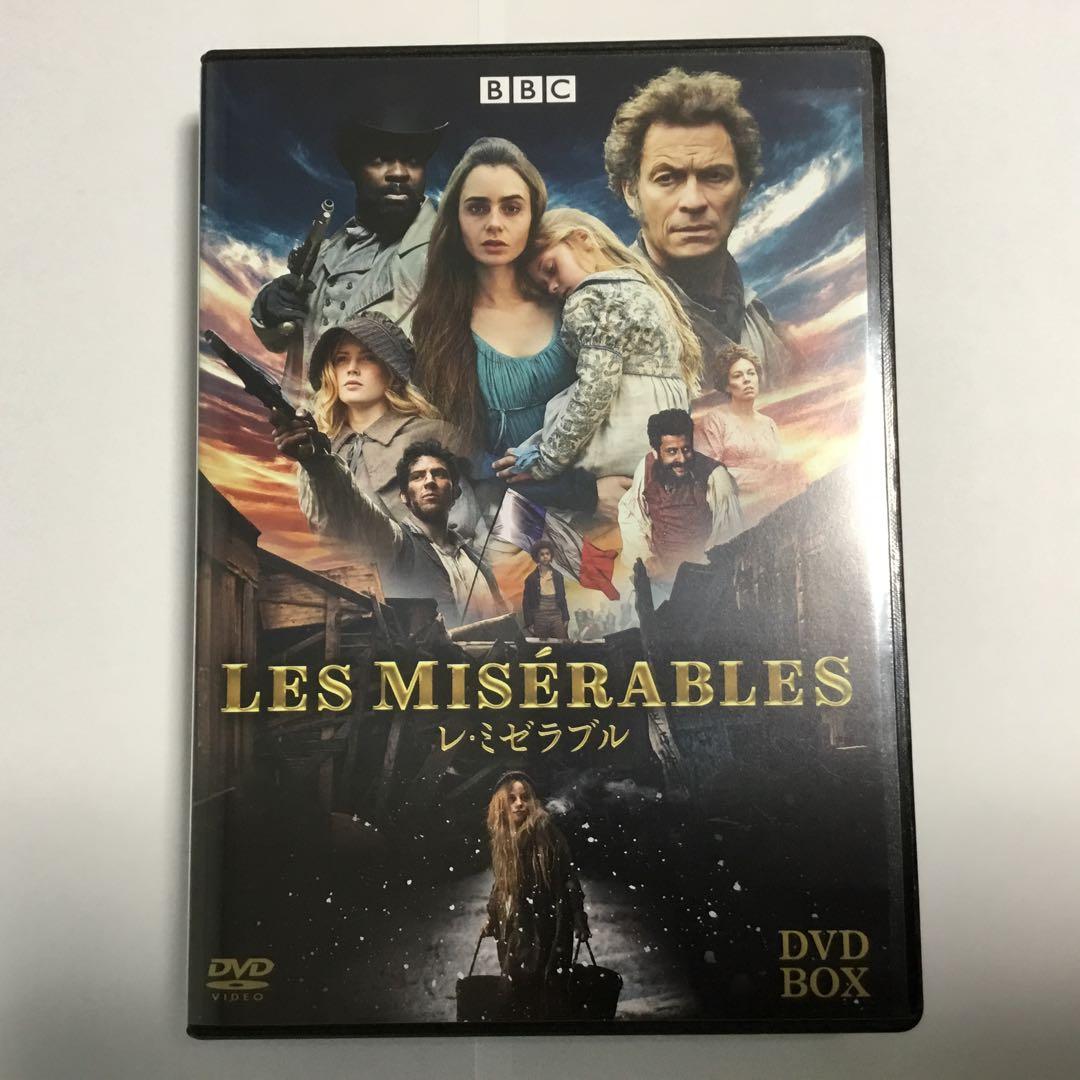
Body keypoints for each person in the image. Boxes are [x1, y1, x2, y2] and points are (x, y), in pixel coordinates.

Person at [410, 139, 625, 518]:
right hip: (514, 521)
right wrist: (580, 495)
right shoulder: (439, 325)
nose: (494, 223)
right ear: (456, 219)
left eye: (511, 208)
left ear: (533, 216)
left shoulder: (572, 299)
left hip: (618, 507)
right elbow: (458, 455)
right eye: (477, 208)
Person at [604, 68, 799, 390]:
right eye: (667, 178)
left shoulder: (762, 323)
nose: (693, 201)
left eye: (715, 176)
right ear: (631, 192)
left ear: (744, 189)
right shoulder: (603, 316)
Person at [496, 207, 701, 483]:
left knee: (522, 485)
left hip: (623, 433)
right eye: (545, 286)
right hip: (664, 433)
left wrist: (547, 460)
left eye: (551, 269)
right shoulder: (646, 288)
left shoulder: (589, 298)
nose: (553, 287)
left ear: (582, 239)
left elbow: (596, 386)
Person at [250, 103, 447, 380]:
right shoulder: (326, 253)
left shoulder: (450, 254)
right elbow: (281, 341)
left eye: (413, 161)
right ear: (355, 169)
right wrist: (269, 307)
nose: (399, 172)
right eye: (380, 159)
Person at [269, 309, 481, 536]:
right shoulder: (320, 446)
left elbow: (462, 532)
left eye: (368, 357)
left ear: (391, 370)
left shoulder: (436, 435)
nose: (352, 368)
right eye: (341, 359)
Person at [270, 435, 503, 626]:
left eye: (439, 474)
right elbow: (354, 508)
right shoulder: (396, 544)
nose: (429, 481)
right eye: (417, 476)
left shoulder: (478, 563)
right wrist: (318, 462)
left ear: (455, 493)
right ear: (404, 497)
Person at [481, 772, 589, 1021]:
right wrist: (492, 918)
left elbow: (568, 876)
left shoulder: (547, 833)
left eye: (524, 797)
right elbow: (502, 885)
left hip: (548, 922)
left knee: (547, 989)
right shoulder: (503, 839)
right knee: (516, 989)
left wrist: (577, 915)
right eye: (512, 798)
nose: (519, 803)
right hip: (517, 925)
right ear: (501, 805)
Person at [619, 408, 743, 581]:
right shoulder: (646, 467)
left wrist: (695, 572)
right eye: (672, 451)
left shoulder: (716, 477)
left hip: (702, 576)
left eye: (686, 449)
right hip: (657, 575)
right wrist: (646, 558)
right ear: (656, 452)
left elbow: (728, 536)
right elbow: (631, 515)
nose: (682, 459)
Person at [696, 343, 783, 501]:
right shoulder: (715, 420)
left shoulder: (769, 424)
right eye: (737, 376)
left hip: (770, 500)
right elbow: (708, 474)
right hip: (732, 504)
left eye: (751, 373)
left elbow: (778, 469)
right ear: (727, 386)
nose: (747, 380)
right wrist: (758, 479)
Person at [521, 540, 570, 640]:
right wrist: (529, 623)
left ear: (551, 555)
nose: (545, 556)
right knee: (542, 647)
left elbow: (562, 598)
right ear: (537, 557)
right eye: (542, 554)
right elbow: (526, 603)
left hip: (556, 616)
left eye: (547, 553)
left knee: (563, 644)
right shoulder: (531, 579)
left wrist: (566, 617)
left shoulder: (558, 576)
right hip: (540, 617)